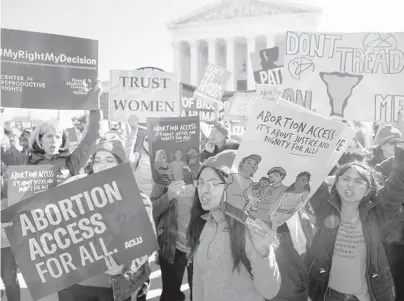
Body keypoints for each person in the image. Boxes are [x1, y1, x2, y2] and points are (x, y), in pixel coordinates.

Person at [57, 138, 154, 301]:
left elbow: (145, 245)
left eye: (110, 160)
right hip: (76, 284)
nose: (102, 165)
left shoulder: (139, 199)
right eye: (97, 160)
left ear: (121, 164)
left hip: (112, 285)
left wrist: (126, 267)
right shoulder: (75, 194)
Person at [305, 146, 404, 301]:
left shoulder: (376, 214)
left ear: (368, 190)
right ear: (336, 185)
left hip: (367, 295)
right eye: (345, 179)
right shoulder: (325, 209)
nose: (350, 184)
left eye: (358, 181)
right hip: (328, 294)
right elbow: (312, 175)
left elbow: (395, 187)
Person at [187, 150, 281, 301]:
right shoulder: (203, 224)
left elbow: (270, 291)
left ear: (231, 186)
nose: (204, 189)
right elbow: (199, 280)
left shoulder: (249, 229)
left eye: (213, 183)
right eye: (201, 182)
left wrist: (264, 253)